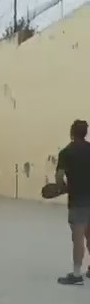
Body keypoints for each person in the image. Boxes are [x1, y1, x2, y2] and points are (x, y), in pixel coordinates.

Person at [56, 120, 90, 285]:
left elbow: (59, 176)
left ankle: (76, 274)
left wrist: (62, 188)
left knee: (78, 237)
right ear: (85, 133)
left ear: (71, 132)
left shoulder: (66, 152)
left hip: (78, 201)